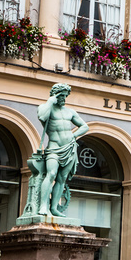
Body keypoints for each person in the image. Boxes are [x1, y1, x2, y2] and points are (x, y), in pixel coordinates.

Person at [36, 83, 88, 217]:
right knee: (51, 173)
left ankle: (54, 208)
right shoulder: (46, 108)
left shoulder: (70, 112)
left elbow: (84, 126)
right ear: (55, 95)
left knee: (62, 178)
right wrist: (50, 101)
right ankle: (43, 205)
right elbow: (42, 117)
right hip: (54, 147)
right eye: (61, 96)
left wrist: (74, 136)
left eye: (65, 96)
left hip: (69, 148)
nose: (64, 99)